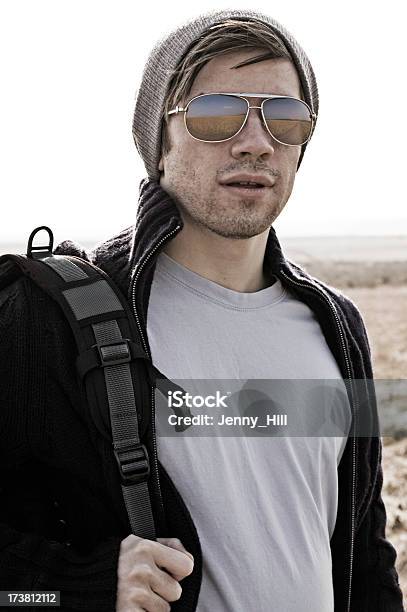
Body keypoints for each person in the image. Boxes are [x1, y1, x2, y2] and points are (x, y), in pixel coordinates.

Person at [0, 9, 403, 612]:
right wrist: (78, 586)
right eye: (217, 113)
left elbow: (364, 553)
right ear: (157, 142)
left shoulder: (337, 327)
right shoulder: (46, 318)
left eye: (285, 118)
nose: (255, 141)